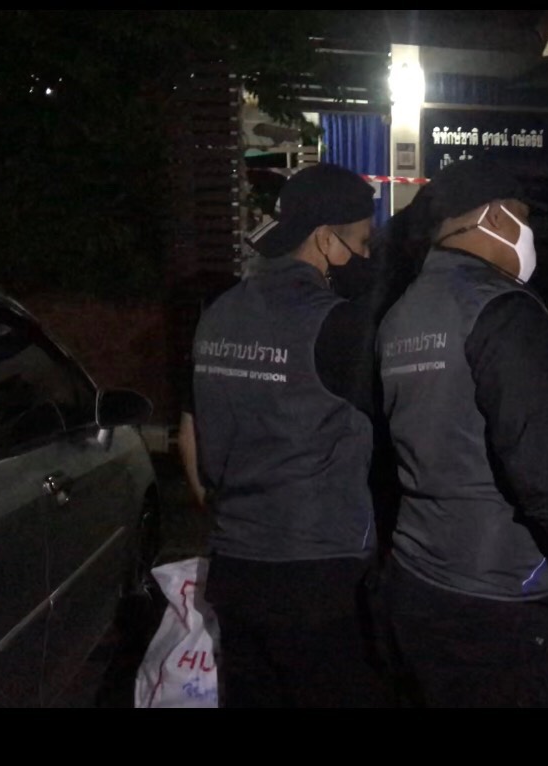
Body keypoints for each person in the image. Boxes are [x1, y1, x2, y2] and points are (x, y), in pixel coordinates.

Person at [376, 157, 548, 708]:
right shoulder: (505, 309)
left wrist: (544, 442)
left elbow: (440, 428)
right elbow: (537, 473)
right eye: (524, 219)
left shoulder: (403, 312)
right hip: (494, 591)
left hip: (414, 575)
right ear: (497, 219)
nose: (529, 234)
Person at [189, 163, 389, 708]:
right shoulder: (336, 325)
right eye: (362, 242)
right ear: (326, 239)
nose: (366, 256)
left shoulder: (220, 313)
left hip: (235, 565)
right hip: (317, 573)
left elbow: (195, 432)